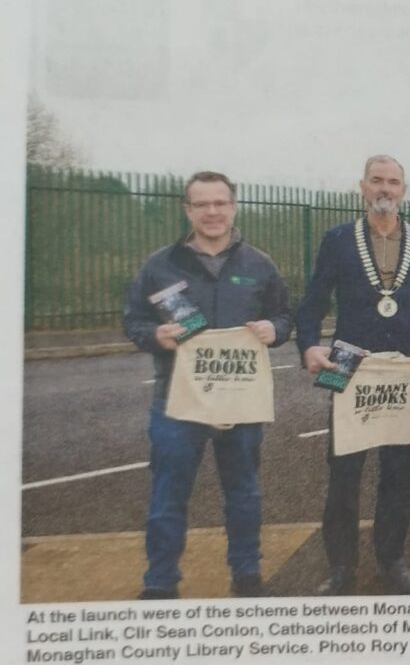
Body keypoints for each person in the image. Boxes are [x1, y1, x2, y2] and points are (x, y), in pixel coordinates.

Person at [295, 154, 410, 595]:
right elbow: (311, 307)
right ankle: (340, 570)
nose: (385, 189)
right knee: (343, 475)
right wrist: (309, 344)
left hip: (404, 373)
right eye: (377, 181)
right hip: (347, 368)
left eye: (393, 182)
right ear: (363, 188)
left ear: (403, 191)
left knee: (397, 473)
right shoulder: (337, 240)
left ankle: (391, 561)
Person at [124, 171, 293, 600]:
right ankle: (160, 583)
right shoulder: (160, 265)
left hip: (240, 402)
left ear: (234, 207)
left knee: (244, 493)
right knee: (167, 496)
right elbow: (133, 320)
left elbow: (285, 317)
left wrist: (274, 329)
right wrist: (154, 336)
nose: (212, 212)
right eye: (202, 204)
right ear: (188, 210)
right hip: (176, 403)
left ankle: (247, 574)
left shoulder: (259, 264)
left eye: (220, 203)